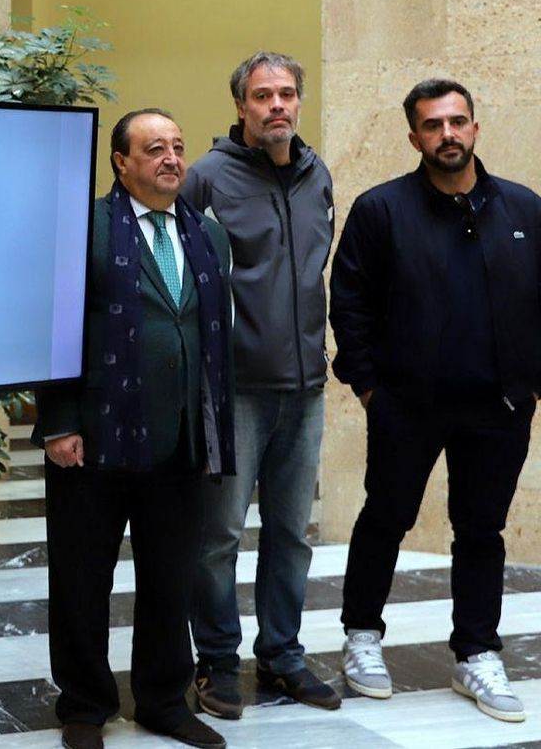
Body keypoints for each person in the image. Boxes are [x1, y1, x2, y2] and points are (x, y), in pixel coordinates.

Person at [332, 79, 538, 724]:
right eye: (432, 125)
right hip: (405, 405)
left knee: (482, 531)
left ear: (475, 128)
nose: (446, 134)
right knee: (385, 518)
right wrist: (369, 386)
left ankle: (475, 653)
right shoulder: (380, 210)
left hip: (499, 407)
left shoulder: (525, 210)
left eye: (457, 122)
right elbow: (350, 304)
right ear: (414, 135)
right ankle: (361, 637)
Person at [33, 108, 234, 749]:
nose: (171, 158)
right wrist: (59, 422)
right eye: (154, 148)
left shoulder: (207, 234)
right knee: (82, 577)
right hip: (93, 438)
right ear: (121, 161)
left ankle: (163, 701)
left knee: (170, 577)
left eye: (178, 146)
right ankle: (86, 705)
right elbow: (57, 330)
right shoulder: (85, 230)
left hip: (179, 437)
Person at [181, 51, 340, 715]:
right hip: (235, 391)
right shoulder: (207, 180)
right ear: (241, 106)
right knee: (219, 535)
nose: (277, 105)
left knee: (291, 531)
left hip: (304, 388)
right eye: (263, 96)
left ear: (299, 101)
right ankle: (217, 660)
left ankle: (283, 656)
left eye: (287, 94)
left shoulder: (315, 175)